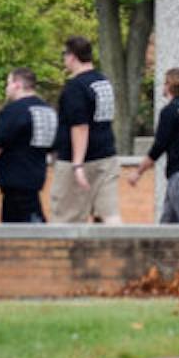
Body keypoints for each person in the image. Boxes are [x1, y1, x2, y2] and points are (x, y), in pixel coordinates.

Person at [0, 67, 55, 224]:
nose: (6, 88)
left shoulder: (15, 110)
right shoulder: (48, 111)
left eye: (8, 83)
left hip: (15, 179)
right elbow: (53, 145)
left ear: (17, 84)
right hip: (36, 176)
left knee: (23, 225)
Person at [52, 36, 120, 225]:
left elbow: (80, 127)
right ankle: (119, 252)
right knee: (109, 215)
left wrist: (77, 165)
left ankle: (68, 254)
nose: (64, 59)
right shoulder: (103, 82)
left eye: (64, 54)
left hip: (79, 160)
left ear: (72, 57)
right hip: (106, 156)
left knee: (67, 217)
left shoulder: (75, 87)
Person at [131, 68, 179, 225]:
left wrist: (138, 172)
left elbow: (159, 146)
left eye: (164, 83)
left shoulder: (169, 111)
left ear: (169, 85)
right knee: (167, 224)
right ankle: (155, 249)